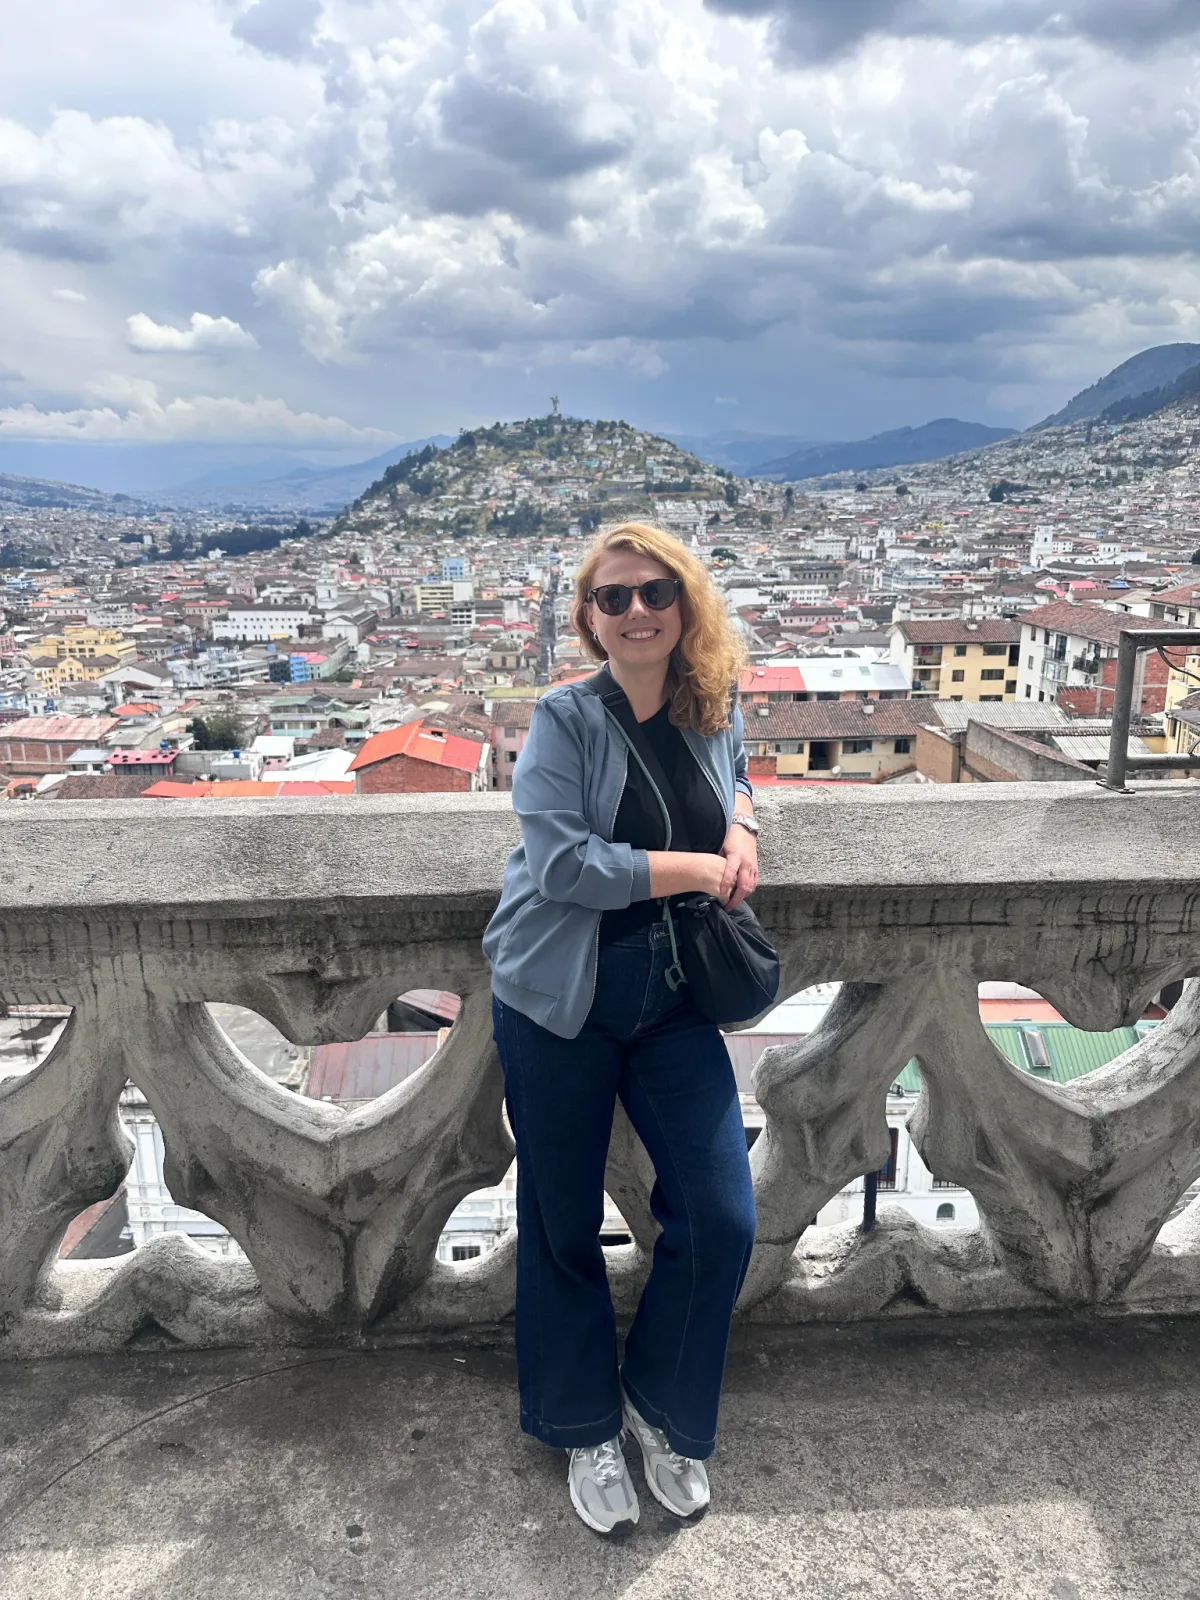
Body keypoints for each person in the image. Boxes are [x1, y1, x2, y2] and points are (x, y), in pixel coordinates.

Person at [483, 522, 760, 1535]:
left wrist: (741, 831)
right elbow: (562, 866)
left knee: (723, 1216)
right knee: (562, 1223)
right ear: (588, 619)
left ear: (684, 603)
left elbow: (738, 778)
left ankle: (658, 1403)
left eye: (655, 592)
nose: (637, 611)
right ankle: (582, 1422)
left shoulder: (712, 703)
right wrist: (700, 869)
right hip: (560, 993)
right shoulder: (566, 718)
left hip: (673, 991)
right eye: (614, 598)